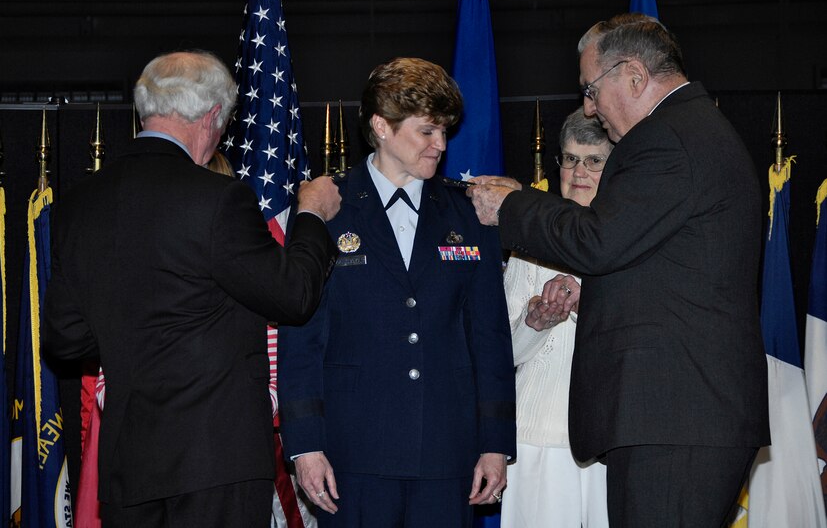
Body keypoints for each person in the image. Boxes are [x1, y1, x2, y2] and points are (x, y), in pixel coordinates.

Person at [467, 13, 770, 527]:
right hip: (682, 415)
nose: (588, 106)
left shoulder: (667, 139)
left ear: (632, 74)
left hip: (675, 417)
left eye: (591, 88)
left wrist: (514, 205)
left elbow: (598, 240)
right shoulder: (693, 129)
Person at [42, 50, 341, 528]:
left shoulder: (79, 204)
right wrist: (310, 214)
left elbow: (64, 339)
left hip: (128, 462)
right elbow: (294, 297)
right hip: (216, 464)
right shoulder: (220, 199)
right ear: (210, 118)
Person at [278, 57, 516, 528]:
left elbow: (489, 335)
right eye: (427, 131)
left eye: (445, 131)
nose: (441, 145)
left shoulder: (468, 212)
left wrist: (494, 443)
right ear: (381, 126)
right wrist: (305, 445)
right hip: (353, 456)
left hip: (449, 457)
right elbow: (301, 337)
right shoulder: (328, 208)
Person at [500, 108, 610, 528]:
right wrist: (534, 324)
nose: (579, 171)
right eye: (569, 158)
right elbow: (503, 352)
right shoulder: (529, 239)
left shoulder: (630, 238)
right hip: (534, 440)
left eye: (594, 160)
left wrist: (585, 305)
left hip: (604, 441)